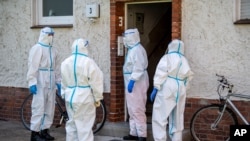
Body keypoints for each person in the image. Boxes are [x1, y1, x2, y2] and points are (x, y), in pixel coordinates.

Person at [150, 39, 193, 141]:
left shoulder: (167, 57)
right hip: (181, 87)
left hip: (168, 86)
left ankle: (160, 139)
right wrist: (183, 88)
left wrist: (156, 87)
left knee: (160, 116)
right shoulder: (184, 60)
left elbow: (161, 72)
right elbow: (189, 77)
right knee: (177, 118)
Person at [61, 38, 104, 141]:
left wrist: (64, 94)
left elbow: (63, 82)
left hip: (70, 98)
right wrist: (98, 97)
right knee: (84, 127)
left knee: (72, 126)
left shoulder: (66, 62)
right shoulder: (88, 62)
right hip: (85, 98)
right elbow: (96, 80)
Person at [27, 27, 61, 141]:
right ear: (45, 35)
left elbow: (56, 68)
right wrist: (32, 81)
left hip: (51, 82)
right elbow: (33, 66)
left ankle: (45, 130)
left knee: (50, 108)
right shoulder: (37, 48)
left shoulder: (54, 50)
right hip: (40, 81)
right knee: (39, 107)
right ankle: (35, 133)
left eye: (53, 34)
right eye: (50, 34)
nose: (52, 37)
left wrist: (58, 82)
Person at [122, 28, 149, 141]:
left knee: (137, 108)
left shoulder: (137, 50)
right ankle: (133, 133)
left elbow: (138, 68)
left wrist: (133, 80)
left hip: (137, 82)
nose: (124, 40)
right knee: (131, 109)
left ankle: (142, 135)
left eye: (126, 38)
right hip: (131, 82)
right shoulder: (133, 50)